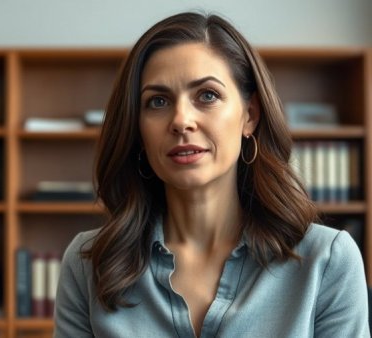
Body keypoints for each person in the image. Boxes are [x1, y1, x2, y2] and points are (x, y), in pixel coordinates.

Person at [53, 12, 370, 338]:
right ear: (138, 129)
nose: (181, 120)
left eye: (207, 95)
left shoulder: (327, 261)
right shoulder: (87, 265)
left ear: (249, 115)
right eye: (158, 101)